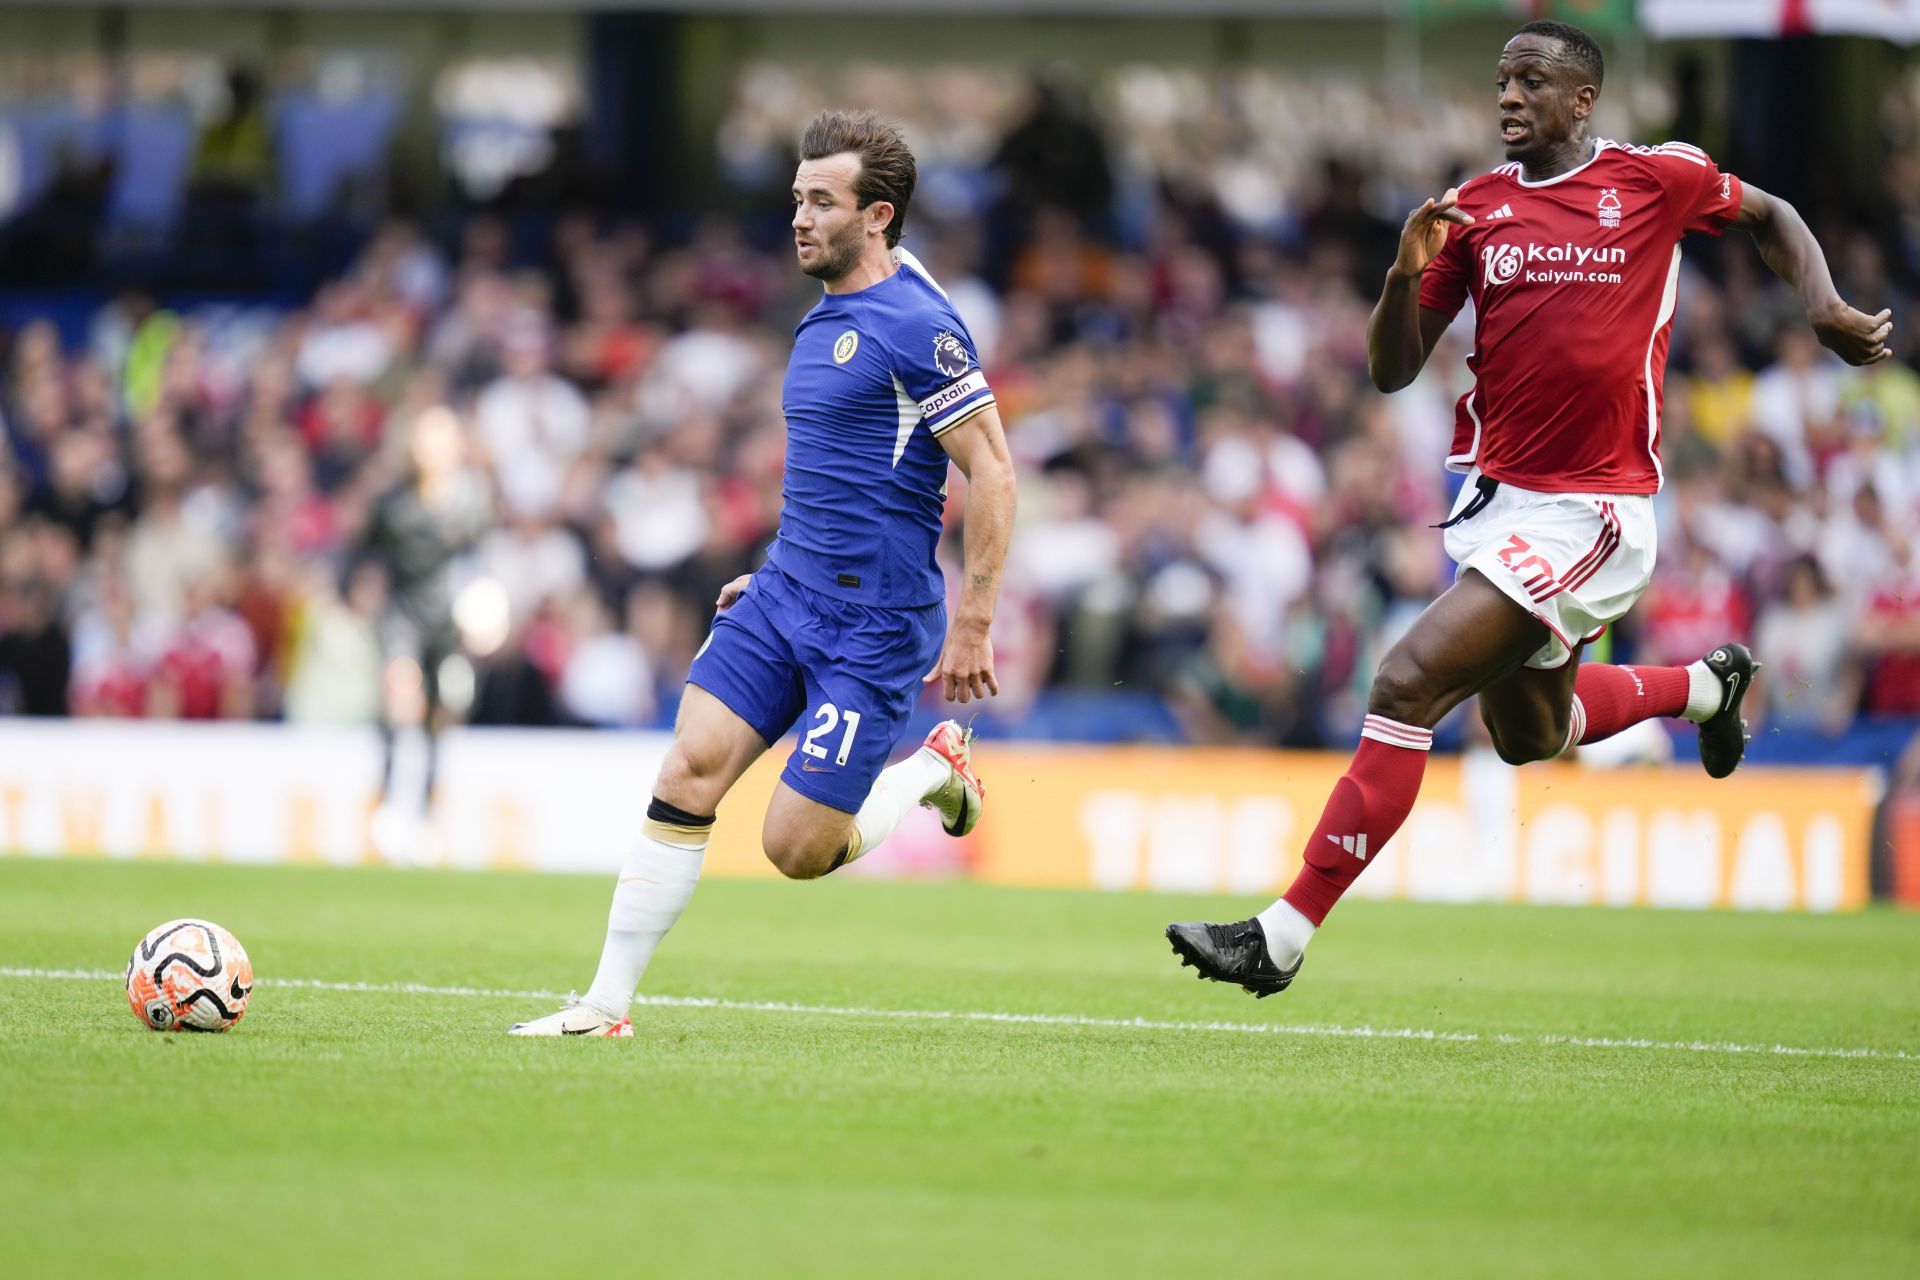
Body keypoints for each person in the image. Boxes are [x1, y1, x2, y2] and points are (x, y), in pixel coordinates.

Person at [1166, 20, 1892, 997]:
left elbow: (1772, 214)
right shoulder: (1474, 210)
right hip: (1502, 506)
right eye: (1501, 81)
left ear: (1582, 98)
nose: (1507, 97)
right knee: (1526, 734)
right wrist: (1400, 271)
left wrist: (1821, 302)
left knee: (1405, 682)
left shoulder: (1653, 179)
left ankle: (1281, 934)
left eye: (1530, 81)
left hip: (1596, 509)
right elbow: (1391, 372)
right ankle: (1706, 688)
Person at [512, 111, 1017, 1037]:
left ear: (877, 216)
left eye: (821, 201)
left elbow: (993, 470)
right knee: (690, 766)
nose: (798, 217)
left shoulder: (917, 325)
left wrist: (975, 622)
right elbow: (832, 477)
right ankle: (604, 1005)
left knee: (794, 848)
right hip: (786, 595)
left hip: (874, 629)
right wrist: (778, 568)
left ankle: (932, 769)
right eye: (796, 198)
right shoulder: (820, 321)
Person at [361, 405, 492, 858]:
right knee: (399, 705)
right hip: (402, 617)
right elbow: (364, 554)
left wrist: (486, 606)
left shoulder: (473, 497)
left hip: (450, 622)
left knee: (443, 714)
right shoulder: (393, 502)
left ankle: (427, 815)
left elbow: (481, 557)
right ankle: (387, 807)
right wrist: (358, 592)